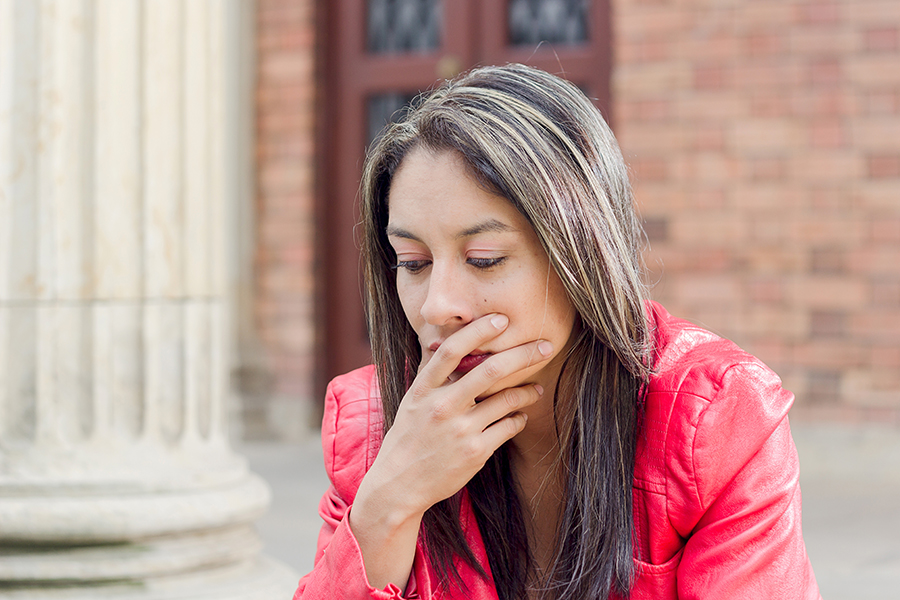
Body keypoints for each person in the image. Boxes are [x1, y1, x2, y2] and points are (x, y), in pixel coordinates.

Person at [294, 64, 821, 600]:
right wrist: (390, 502)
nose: (437, 306)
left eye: (484, 258)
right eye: (413, 262)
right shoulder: (374, 426)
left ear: (581, 255)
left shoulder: (714, 421)